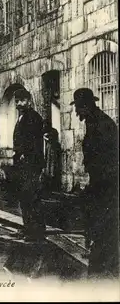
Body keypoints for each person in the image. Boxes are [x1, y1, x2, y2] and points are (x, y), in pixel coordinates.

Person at [71, 88, 119, 279]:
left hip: (107, 183)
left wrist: (97, 184)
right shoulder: (94, 121)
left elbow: (108, 158)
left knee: (105, 223)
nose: (76, 112)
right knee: (99, 222)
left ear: (86, 106)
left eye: (78, 108)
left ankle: (104, 265)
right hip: (101, 181)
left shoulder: (102, 124)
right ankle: (102, 260)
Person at [11, 89, 46, 242]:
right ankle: (28, 228)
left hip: (31, 163)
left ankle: (35, 231)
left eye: (21, 101)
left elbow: (33, 142)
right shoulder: (22, 117)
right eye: (16, 101)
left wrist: (24, 154)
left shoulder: (33, 117)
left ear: (29, 101)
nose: (18, 104)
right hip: (23, 163)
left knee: (31, 196)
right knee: (25, 197)